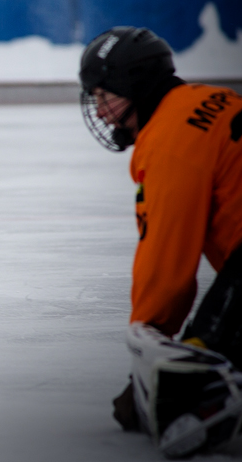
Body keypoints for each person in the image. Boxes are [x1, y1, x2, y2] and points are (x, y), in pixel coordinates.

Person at [79, 26, 242, 457]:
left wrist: (146, 366)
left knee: (190, 386)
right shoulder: (207, 99)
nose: (99, 112)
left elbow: (165, 266)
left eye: (103, 95)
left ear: (133, 85)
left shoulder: (169, 140)